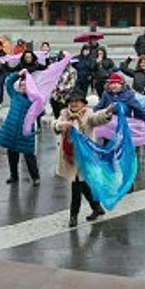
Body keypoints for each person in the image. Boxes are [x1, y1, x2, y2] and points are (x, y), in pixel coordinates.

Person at [52, 90, 114, 227]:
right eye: (71, 101)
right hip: (70, 156)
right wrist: (60, 125)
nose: (74, 104)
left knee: (76, 186)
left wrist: (107, 113)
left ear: (83, 103)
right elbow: (55, 125)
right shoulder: (64, 114)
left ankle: (73, 216)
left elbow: (97, 118)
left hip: (84, 156)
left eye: (77, 101)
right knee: (83, 185)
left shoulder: (88, 114)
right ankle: (96, 207)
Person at [0, 70, 41, 186]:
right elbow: (8, 83)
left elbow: (41, 111)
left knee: (29, 155)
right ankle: (14, 175)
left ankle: (35, 177)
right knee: (12, 154)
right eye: (21, 85)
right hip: (11, 130)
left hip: (25, 132)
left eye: (25, 85)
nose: (22, 87)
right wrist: (19, 74)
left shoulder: (34, 100)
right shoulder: (15, 95)